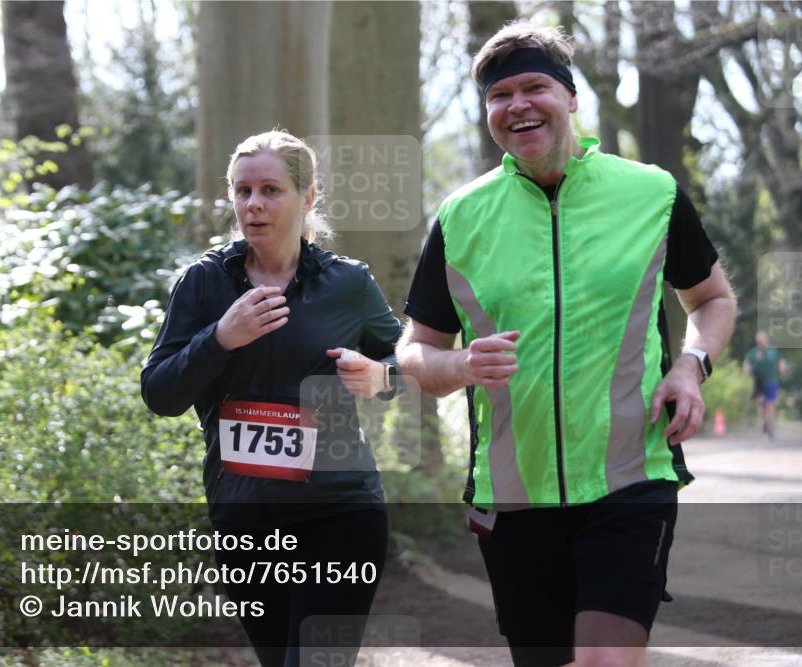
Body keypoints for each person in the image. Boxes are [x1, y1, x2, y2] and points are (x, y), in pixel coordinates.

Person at [396, 22, 736, 667]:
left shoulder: (652, 194)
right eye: (500, 95)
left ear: (572, 99)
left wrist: (692, 366)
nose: (517, 104)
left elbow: (712, 299)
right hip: (514, 497)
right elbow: (414, 351)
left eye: (535, 86)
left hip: (630, 479)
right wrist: (461, 364)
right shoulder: (461, 216)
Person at [141, 130, 400, 666]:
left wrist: (380, 376)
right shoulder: (204, 283)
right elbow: (160, 392)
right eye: (242, 191)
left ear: (308, 198)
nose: (253, 204)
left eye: (270, 190)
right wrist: (219, 339)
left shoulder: (347, 284)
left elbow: (407, 362)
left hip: (340, 510)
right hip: (245, 516)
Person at [744, 330, 786, 439]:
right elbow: (747, 364)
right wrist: (747, 370)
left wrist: (782, 368)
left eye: (762, 339)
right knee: (761, 404)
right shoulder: (753, 352)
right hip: (758, 382)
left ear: (766, 339)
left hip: (772, 381)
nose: (760, 341)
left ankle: (770, 429)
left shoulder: (773, 351)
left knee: (770, 404)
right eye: (759, 339)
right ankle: (766, 422)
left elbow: (781, 363)